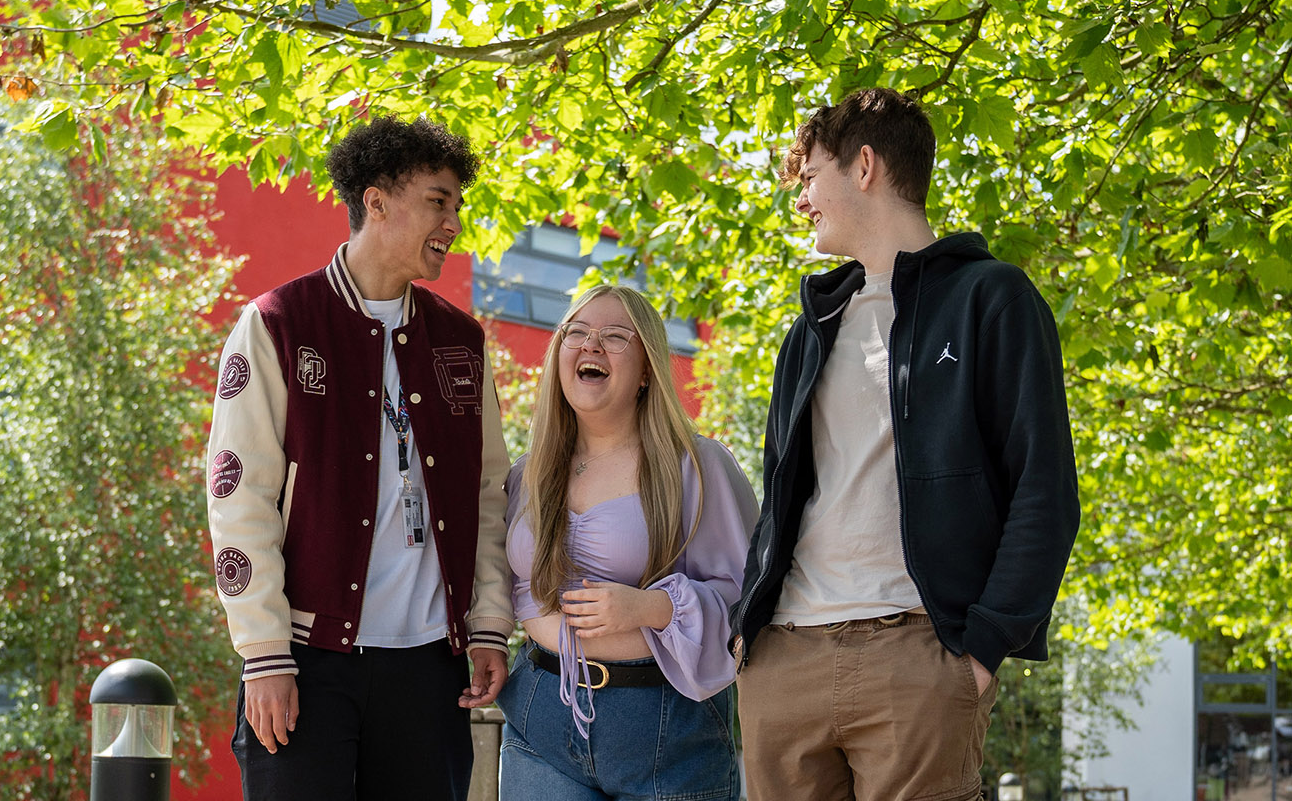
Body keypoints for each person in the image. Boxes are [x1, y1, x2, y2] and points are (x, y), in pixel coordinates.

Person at [730, 87, 1080, 800]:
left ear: (864, 167)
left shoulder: (993, 298)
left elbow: (1043, 491)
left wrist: (983, 647)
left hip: (917, 654)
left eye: (811, 177)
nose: (803, 200)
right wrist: (748, 628)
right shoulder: (811, 328)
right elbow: (783, 493)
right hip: (785, 658)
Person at [204, 115, 514, 801]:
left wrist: (490, 625)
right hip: (306, 661)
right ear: (377, 201)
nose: (453, 223)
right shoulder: (277, 324)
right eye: (438, 201)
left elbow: (489, 494)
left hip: (431, 668)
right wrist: (264, 653)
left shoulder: (461, 341)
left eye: (457, 205)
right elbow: (238, 495)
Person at [497, 284, 757, 800]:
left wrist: (652, 608)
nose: (591, 345)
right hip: (541, 714)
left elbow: (748, 604)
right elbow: (508, 583)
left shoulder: (697, 466)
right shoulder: (528, 473)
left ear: (645, 372)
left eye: (615, 336)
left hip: (664, 728)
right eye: (577, 332)